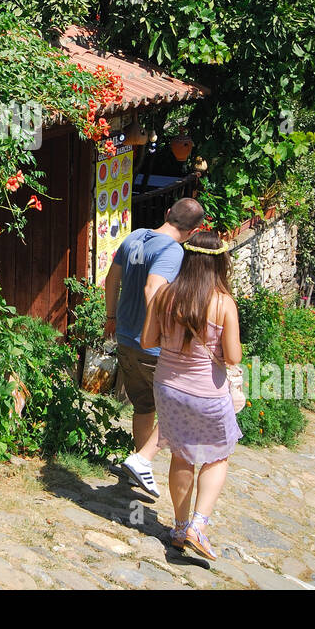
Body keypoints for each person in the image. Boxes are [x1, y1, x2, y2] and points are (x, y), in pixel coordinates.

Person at [140, 230, 241, 559]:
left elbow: (146, 341)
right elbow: (234, 356)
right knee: (216, 455)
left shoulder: (164, 295)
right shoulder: (223, 302)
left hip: (168, 387)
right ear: (219, 263)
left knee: (181, 455)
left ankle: (180, 527)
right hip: (206, 394)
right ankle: (198, 525)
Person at [103, 197, 205, 498]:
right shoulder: (172, 251)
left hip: (124, 336)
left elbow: (111, 280)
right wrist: (161, 332)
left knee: (145, 405)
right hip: (152, 348)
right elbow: (153, 287)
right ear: (193, 232)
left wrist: (111, 316)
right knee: (180, 408)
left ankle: (138, 466)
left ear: (167, 213)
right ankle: (142, 460)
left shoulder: (135, 236)